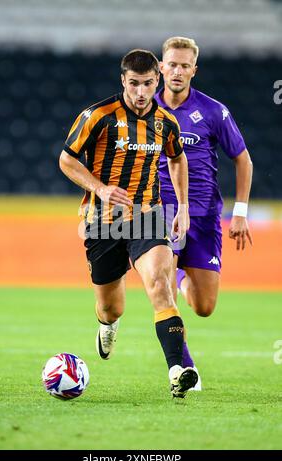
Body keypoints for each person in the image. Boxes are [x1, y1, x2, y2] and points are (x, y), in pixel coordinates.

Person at [59, 49, 198, 398]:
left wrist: (182, 205)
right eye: (134, 84)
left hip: (148, 217)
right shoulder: (98, 115)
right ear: (123, 80)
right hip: (102, 223)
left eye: (148, 84)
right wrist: (100, 188)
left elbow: (177, 159)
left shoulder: (166, 121)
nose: (140, 92)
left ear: (157, 81)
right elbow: (67, 160)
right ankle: (108, 325)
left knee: (160, 286)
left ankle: (177, 371)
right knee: (110, 306)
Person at [155, 37, 253, 375]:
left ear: (194, 70)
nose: (178, 71)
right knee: (162, 289)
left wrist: (239, 213)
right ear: (161, 66)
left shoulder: (213, 110)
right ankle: (183, 367)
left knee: (204, 306)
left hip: (206, 215)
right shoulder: (145, 110)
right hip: (163, 213)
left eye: (185, 65)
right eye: (172, 64)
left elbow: (243, 159)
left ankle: (180, 273)